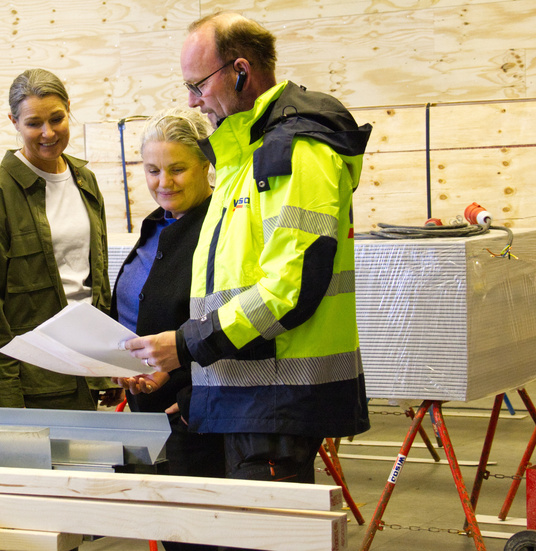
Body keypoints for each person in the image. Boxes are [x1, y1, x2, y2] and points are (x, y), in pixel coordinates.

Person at [124, 12, 372, 488]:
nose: (192, 101)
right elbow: (230, 293)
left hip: (279, 400)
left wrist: (182, 346)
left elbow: (290, 289)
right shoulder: (244, 157)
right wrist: (196, 374)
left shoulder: (297, 150)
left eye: (198, 85)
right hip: (250, 395)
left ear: (240, 71)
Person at [0, 68, 121, 410]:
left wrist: (109, 367)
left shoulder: (86, 182)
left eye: (57, 118)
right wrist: (7, 404)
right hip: (36, 384)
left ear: (68, 108)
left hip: (89, 366)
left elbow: (97, 284)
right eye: (34, 123)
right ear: (14, 122)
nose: (48, 133)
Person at [111, 107, 225, 551]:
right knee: (172, 529)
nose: (164, 182)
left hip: (196, 414)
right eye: (153, 170)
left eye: (178, 169)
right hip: (150, 409)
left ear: (205, 165)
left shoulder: (220, 229)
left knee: (198, 536)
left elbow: (229, 321)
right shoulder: (158, 224)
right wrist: (121, 364)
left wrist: (189, 388)